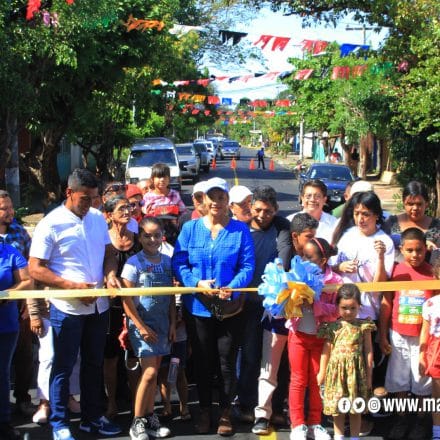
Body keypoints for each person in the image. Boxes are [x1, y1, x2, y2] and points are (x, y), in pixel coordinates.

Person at [28, 168, 122, 440]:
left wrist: (110, 275)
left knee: (93, 364)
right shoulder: (51, 223)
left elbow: (109, 254)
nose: (90, 204)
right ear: (69, 193)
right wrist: (71, 287)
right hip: (66, 309)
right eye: (85, 198)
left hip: (98, 307)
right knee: (63, 367)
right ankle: (60, 423)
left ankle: (92, 418)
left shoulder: (97, 218)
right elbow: (35, 268)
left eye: (94, 198)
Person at [172, 177, 255, 436]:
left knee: (226, 362)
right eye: (212, 197)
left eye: (221, 197)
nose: (216, 202)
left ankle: (225, 412)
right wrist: (196, 283)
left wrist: (233, 286)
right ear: (203, 200)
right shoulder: (190, 228)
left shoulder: (240, 230)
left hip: (230, 308)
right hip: (198, 307)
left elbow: (247, 266)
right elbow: (179, 263)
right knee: (203, 362)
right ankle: (205, 411)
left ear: (228, 201)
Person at [236, 186, 292, 424]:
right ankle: (246, 404)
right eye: (257, 210)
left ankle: (276, 407)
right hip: (247, 304)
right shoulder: (240, 228)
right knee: (250, 357)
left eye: (268, 211)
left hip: (274, 305)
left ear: (276, 210)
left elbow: (284, 256)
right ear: (251, 207)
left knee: (277, 361)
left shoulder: (282, 227)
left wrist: (278, 276)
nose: (262, 215)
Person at [121, 216, 176, 440]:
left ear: (163, 236)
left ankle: (150, 417)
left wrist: (173, 323)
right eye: (147, 236)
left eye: (156, 235)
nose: (152, 240)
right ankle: (137, 422)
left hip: (162, 324)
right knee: (149, 372)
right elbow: (126, 299)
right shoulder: (133, 263)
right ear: (139, 238)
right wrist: (140, 326)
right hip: (142, 324)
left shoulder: (168, 261)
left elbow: (171, 296)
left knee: (154, 374)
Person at [379, 227, 433, 440]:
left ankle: (421, 420)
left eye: (419, 250)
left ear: (426, 249)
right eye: (409, 250)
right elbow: (386, 303)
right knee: (399, 378)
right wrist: (383, 334)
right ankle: (401, 418)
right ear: (401, 249)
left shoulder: (432, 273)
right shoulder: (396, 271)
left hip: (423, 336)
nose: (415, 255)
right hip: (398, 333)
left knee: (422, 379)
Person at [286, 238, 341, 440]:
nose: (304, 260)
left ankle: (315, 423)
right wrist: (291, 300)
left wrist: (315, 303)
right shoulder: (295, 276)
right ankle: (297, 424)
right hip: (298, 335)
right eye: (303, 256)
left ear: (323, 260)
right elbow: (282, 306)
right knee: (298, 380)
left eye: (309, 257)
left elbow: (337, 311)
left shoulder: (335, 281)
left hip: (321, 338)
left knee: (318, 380)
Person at [317, 284, 375, 440]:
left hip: (356, 373)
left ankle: (355, 437)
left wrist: (369, 376)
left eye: (353, 308)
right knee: (338, 408)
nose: (348, 312)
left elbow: (368, 351)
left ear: (359, 306)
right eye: (344, 308)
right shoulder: (332, 327)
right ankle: (339, 436)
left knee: (355, 408)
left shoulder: (364, 326)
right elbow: (326, 350)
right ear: (337, 306)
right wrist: (322, 372)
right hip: (336, 374)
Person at [102, 195, 142, 419]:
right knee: (110, 357)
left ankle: (137, 404)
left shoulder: (138, 239)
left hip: (135, 307)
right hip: (110, 308)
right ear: (109, 215)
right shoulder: (103, 241)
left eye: (128, 207)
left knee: (134, 356)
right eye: (121, 209)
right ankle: (111, 403)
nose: (127, 211)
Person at [0, 190, 34, 417]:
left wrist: (29, 302)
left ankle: (22, 398)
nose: (10, 212)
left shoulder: (19, 233)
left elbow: (31, 271)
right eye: (4, 208)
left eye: (11, 207)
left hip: (19, 304)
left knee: (24, 354)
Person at [0, 240, 33, 440]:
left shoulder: (9, 252)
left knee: (1, 374)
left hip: (6, 325)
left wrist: (7, 294)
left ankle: (3, 422)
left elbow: (27, 281)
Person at [383, 181, 440, 262]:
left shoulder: (437, 226)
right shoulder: (390, 223)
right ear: (403, 203)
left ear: (427, 204)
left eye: (419, 204)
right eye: (410, 204)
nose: (415, 208)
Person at [419, 259, 440, 440]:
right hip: (436, 349)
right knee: (437, 393)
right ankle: (437, 431)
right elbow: (425, 331)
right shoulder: (431, 303)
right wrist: (421, 356)